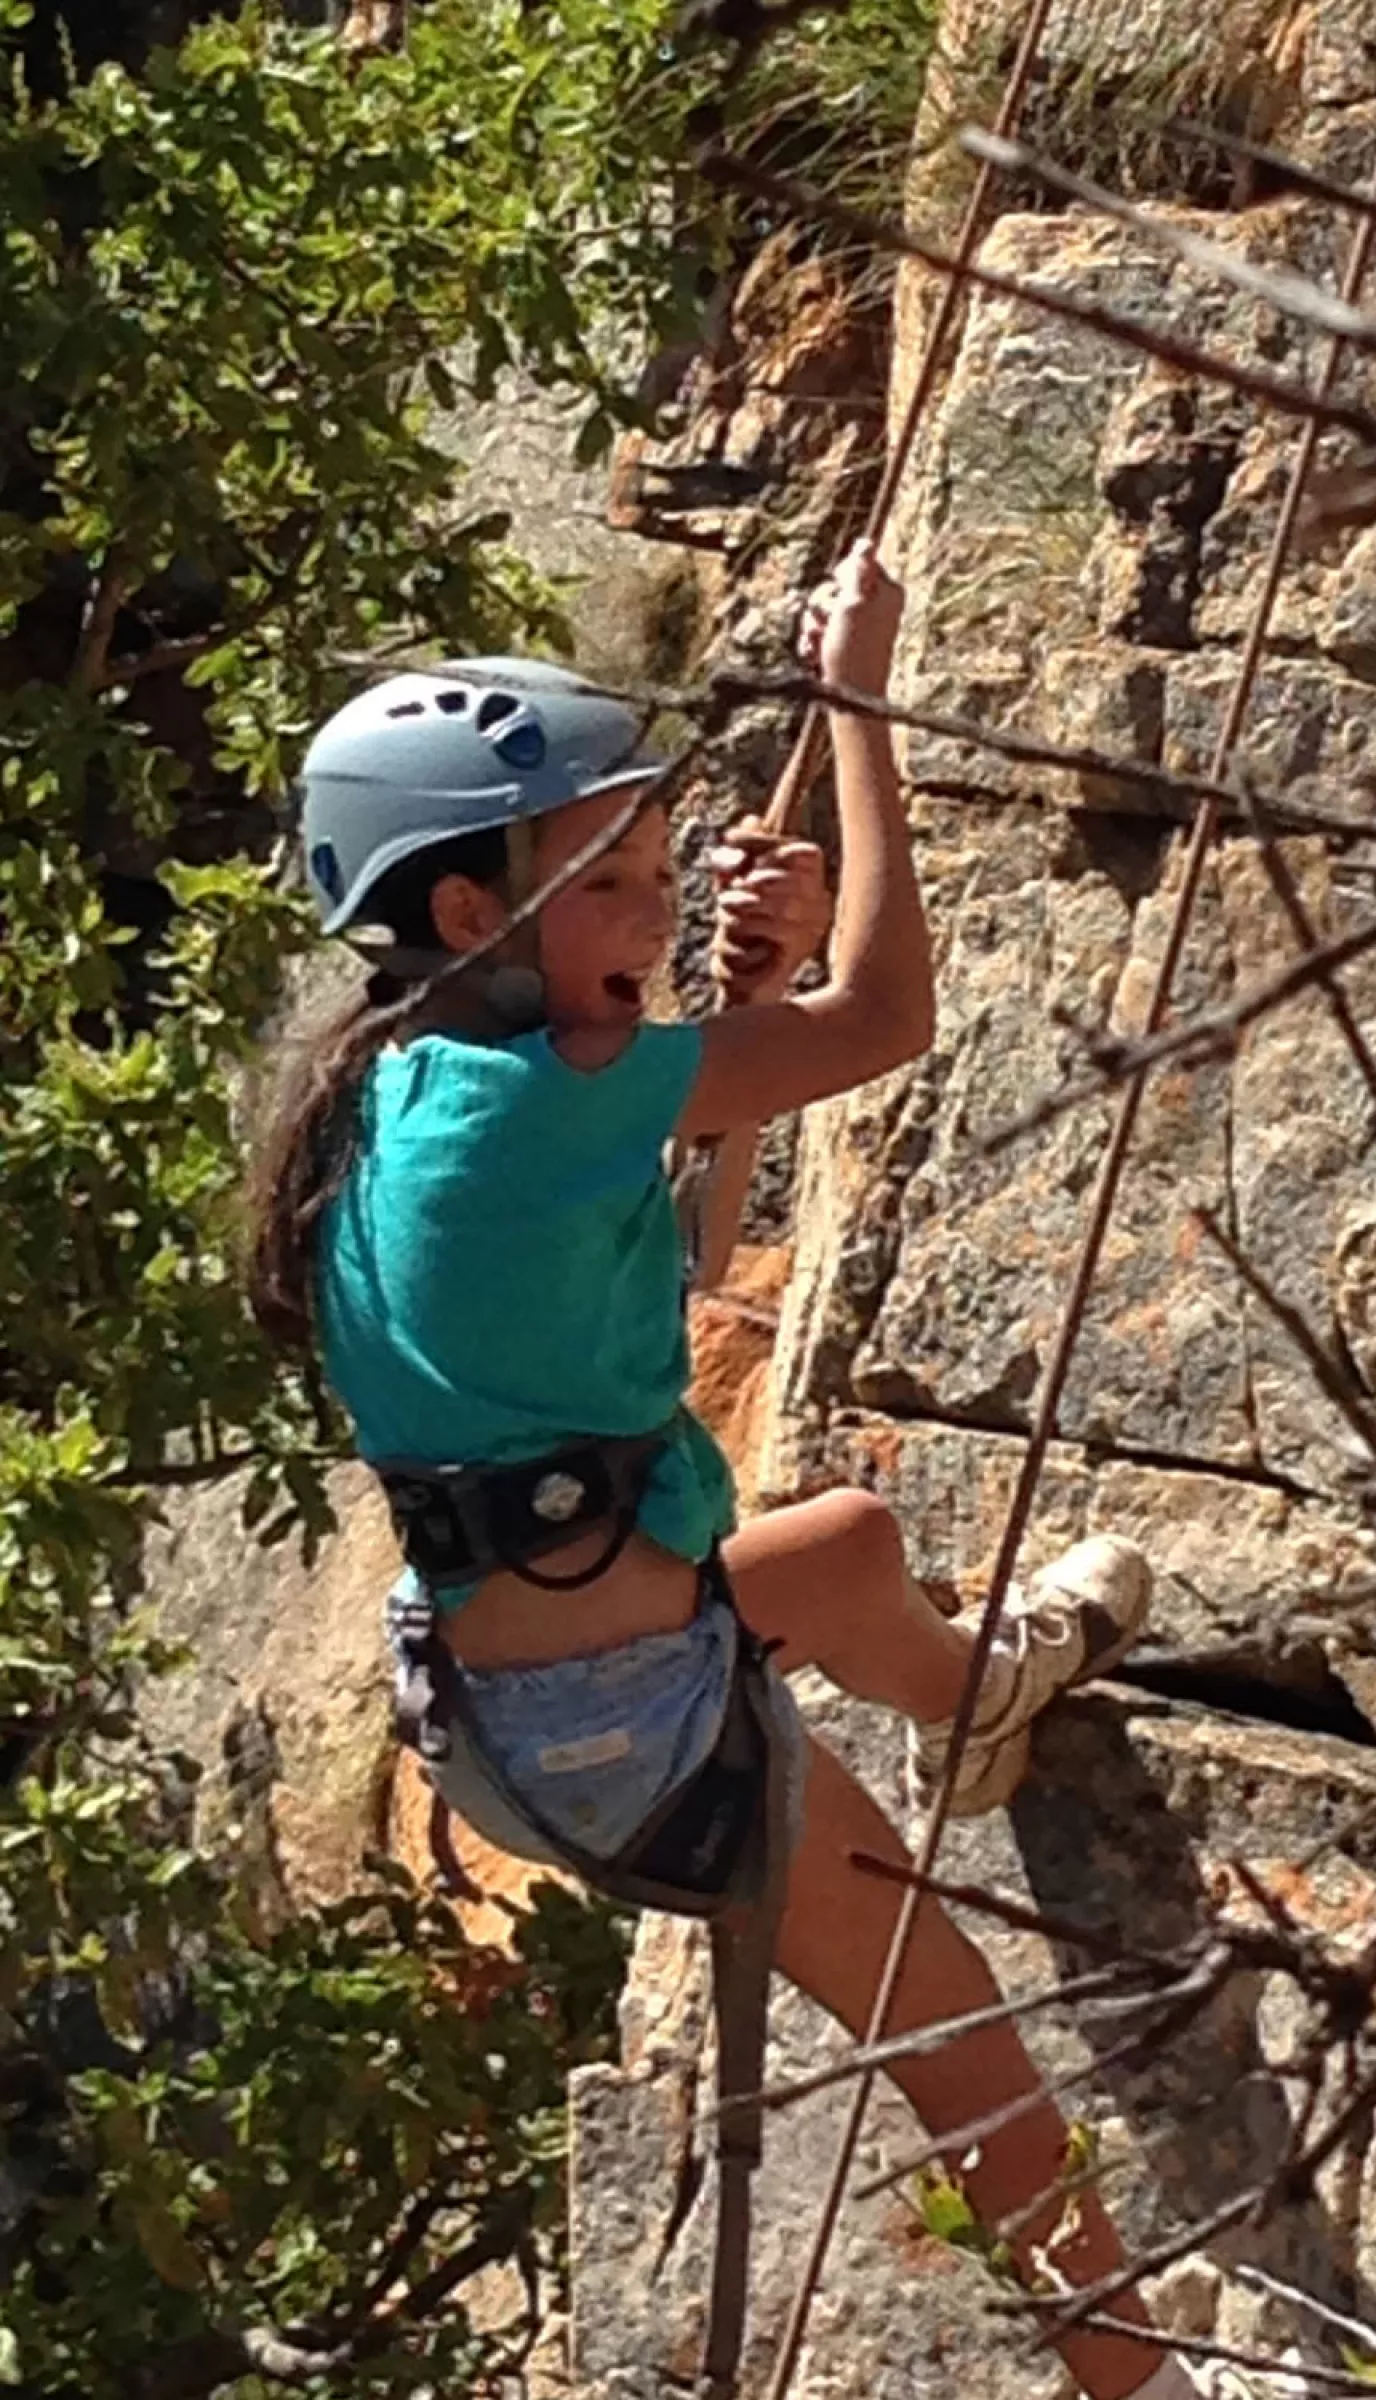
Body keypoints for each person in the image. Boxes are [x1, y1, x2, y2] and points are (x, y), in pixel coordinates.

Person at [247, 543, 1194, 2400]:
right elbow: (886, 1023)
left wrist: (707, 1027)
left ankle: (986, 1699)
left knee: (840, 1548)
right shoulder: (543, 1089)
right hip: (639, 1730)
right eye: (622, 884)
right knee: (950, 2018)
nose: (663, 918)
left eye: (668, 879)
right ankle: (1151, 2388)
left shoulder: (394, 1092)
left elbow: (665, 1286)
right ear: (466, 909)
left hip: (498, 1709)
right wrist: (861, 712)